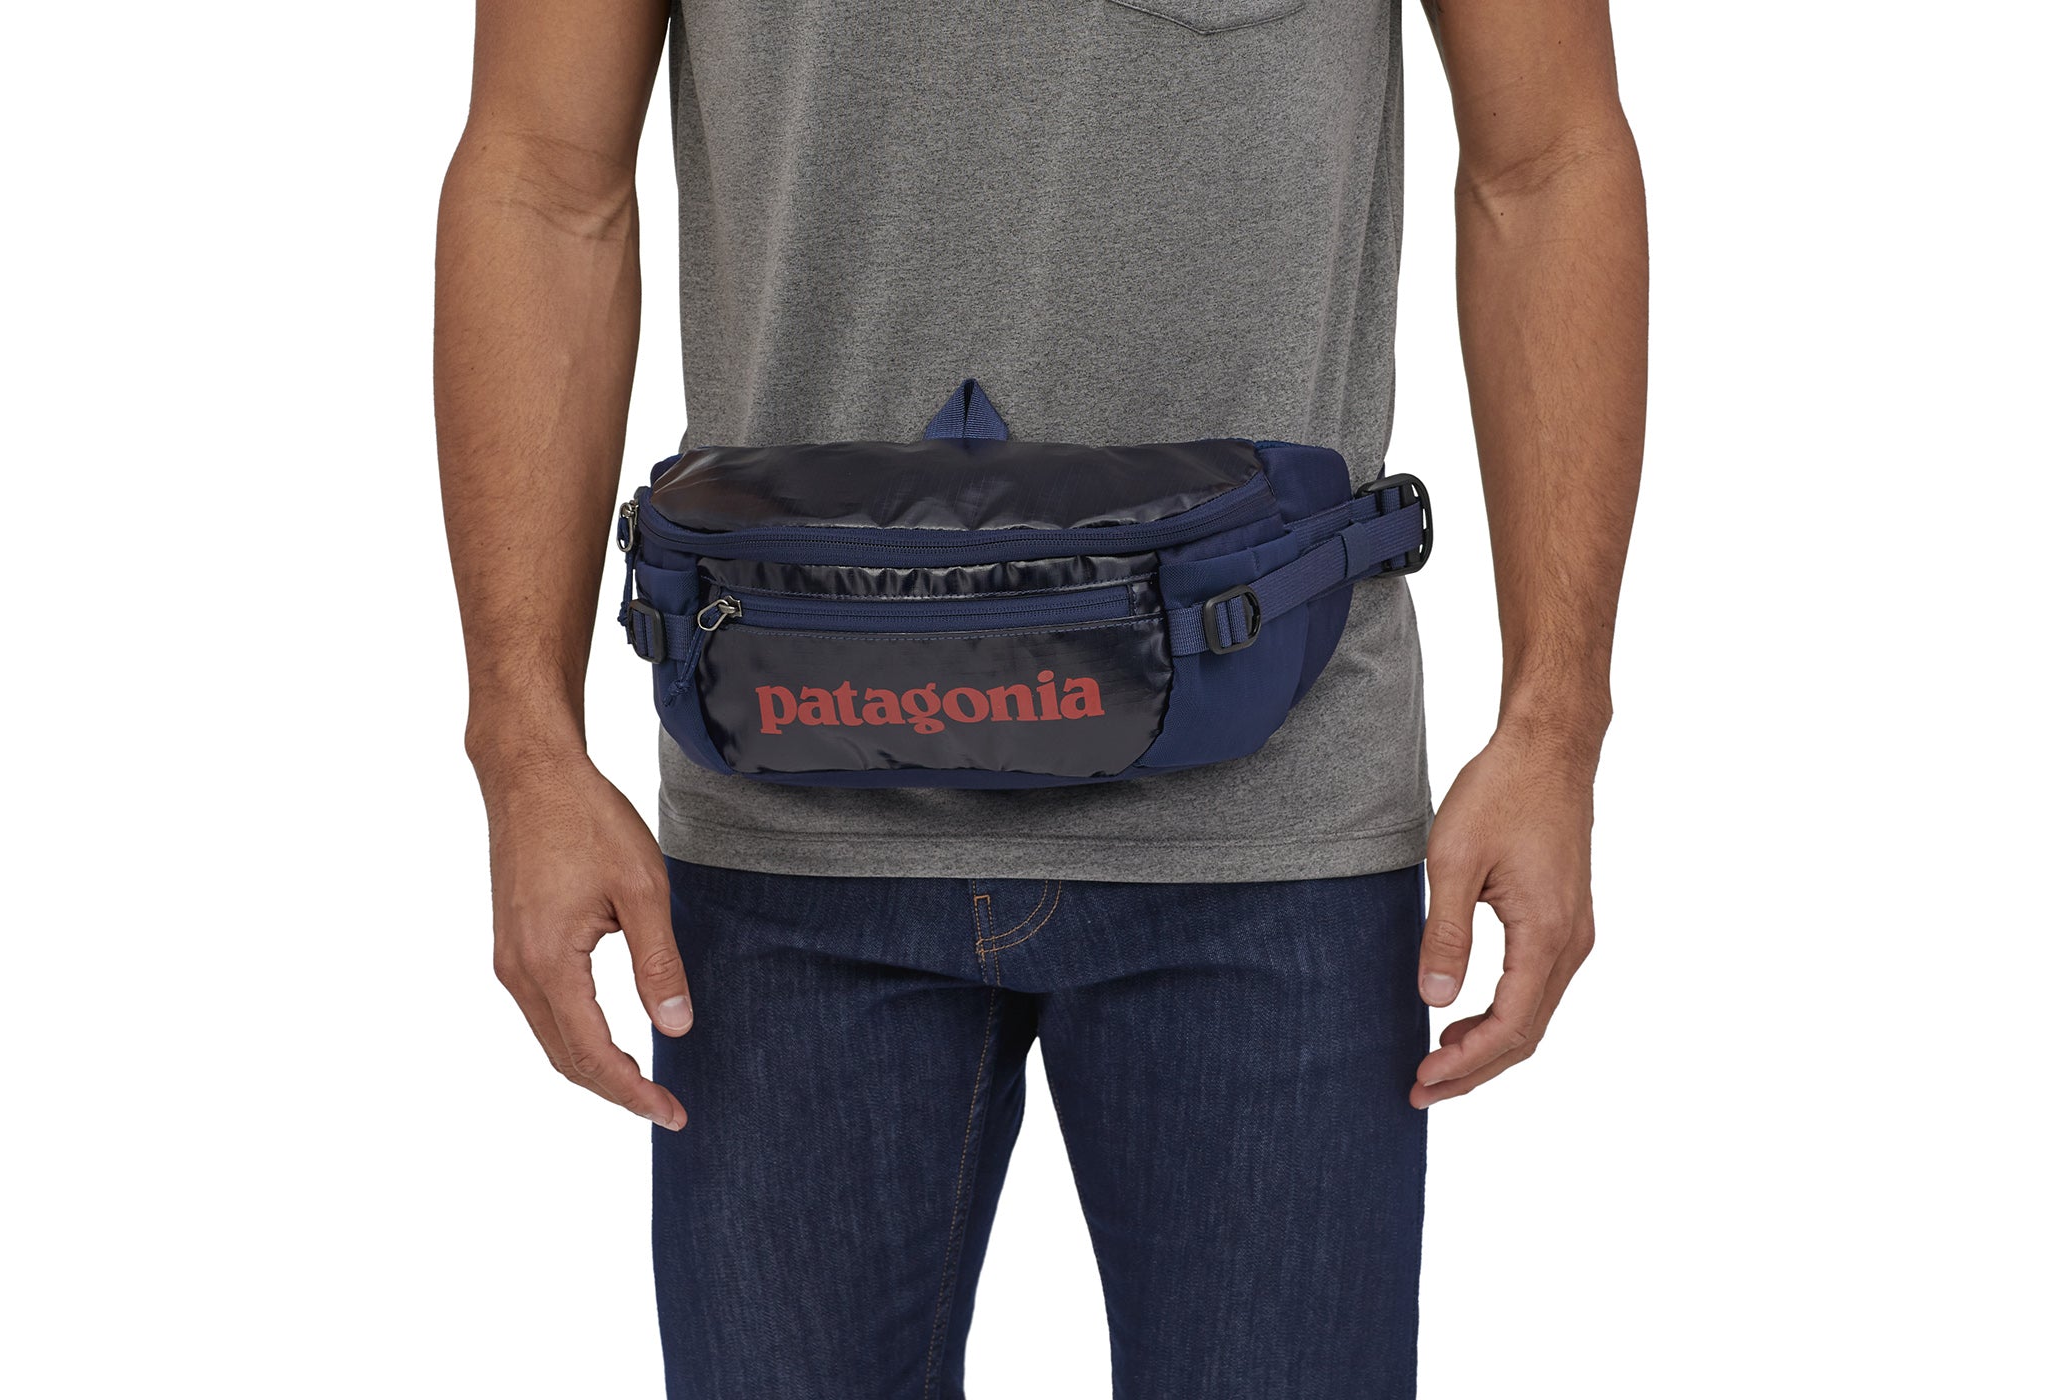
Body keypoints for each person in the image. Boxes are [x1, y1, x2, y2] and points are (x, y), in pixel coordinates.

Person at [434, 0, 1645, 1394]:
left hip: (1272, 817)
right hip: (792, 827)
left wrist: (1557, 727)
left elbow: (1548, 159)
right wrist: (522, 745)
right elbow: (544, 179)